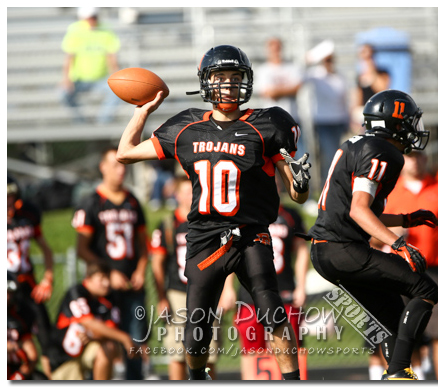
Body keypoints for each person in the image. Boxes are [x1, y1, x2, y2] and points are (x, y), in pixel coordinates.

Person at [115, 44, 311, 380]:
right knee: (196, 327)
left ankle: (293, 382)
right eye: (221, 77)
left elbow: (295, 190)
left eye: (235, 77)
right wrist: (144, 109)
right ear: (207, 82)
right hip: (206, 238)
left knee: (273, 311)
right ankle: (197, 379)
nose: (229, 85)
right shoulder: (186, 126)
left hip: (252, 234)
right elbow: (125, 152)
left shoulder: (267, 124)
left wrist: (302, 183)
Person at [309, 89, 438, 380]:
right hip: (342, 248)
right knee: (427, 289)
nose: (412, 128)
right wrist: (398, 243)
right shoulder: (382, 152)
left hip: (328, 249)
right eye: (408, 121)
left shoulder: (358, 144)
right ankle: (399, 374)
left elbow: (358, 209)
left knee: (392, 315)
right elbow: (359, 211)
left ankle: (396, 373)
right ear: (393, 123)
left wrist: (405, 218)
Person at [382, 151, 438, 380]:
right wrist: (391, 233)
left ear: (426, 158)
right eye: (409, 156)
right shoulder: (389, 191)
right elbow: (369, 230)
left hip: (436, 270)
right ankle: (410, 377)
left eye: (419, 155)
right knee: (402, 331)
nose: (415, 160)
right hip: (400, 269)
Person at [72, 147, 149, 380]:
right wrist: (110, 273)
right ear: (102, 167)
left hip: (130, 284)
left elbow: (142, 244)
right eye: (114, 165)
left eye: (122, 165)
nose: (120, 170)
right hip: (103, 287)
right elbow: (82, 249)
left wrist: (140, 270)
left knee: (136, 339)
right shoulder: (91, 202)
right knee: (105, 339)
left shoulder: (133, 201)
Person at [229, 175, 309, 379]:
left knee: (290, 347)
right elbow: (230, 253)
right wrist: (228, 288)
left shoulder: (291, 215)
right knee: (252, 351)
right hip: (250, 293)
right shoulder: (243, 213)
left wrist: (301, 285)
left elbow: (301, 251)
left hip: (284, 290)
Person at [151, 176, 226, 380]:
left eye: (193, 191)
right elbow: (157, 263)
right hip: (178, 293)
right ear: (176, 195)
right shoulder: (167, 224)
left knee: (209, 351)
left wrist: (227, 290)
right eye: (184, 191)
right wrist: (161, 297)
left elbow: (226, 258)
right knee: (176, 353)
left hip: (208, 292)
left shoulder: (210, 222)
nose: (189, 196)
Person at [47, 262, 145, 380]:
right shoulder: (77, 292)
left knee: (109, 346)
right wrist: (125, 338)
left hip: (88, 350)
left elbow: (110, 330)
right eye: (101, 278)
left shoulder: (110, 298)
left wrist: (91, 334)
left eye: (108, 278)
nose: (107, 283)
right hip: (64, 357)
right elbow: (88, 322)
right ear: (88, 279)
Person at [7, 175, 54, 378]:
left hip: (27, 285)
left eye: (11, 195)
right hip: (6, 291)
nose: (8, 200)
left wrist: (47, 279)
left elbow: (46, 249)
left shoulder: (27, 214)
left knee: (45, 339)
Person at [60, 7, 121, 124]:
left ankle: (102, 123)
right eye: (88, 18)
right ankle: (81, 124)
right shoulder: (75, 30)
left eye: (94, 17)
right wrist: (67, 79)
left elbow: (111, 57)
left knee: (118, 91)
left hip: (102, 79)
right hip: (79, 79)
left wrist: (115, 77)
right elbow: (69, 57)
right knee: (63, 93)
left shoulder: (106, 30)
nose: (92, 21)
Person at [304, 40, 350, 184]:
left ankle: (333, 183)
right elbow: (301, 75)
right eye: (327, 59)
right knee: (329, 156)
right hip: (323, 121)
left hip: (338, 121)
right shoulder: (316, 74)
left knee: (336, 156)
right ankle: (328, 184)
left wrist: (347, 120)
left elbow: (344, 100)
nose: (329, 62)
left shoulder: (339, 76)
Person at [256, 37, 305, 156]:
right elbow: (268, 93)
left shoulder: (292, 67)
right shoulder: (263, 70)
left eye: (278, 48)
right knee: (274, 157)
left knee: (299, 156)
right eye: (273, 48)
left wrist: (277, 91)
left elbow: (297, 88)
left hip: (292, 117)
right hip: (271, 121)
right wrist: (287, 89)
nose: (276, 51)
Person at [7, 273, 48, 380]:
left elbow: (32, 355)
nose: (7, 297)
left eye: (9, 293)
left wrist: (18, 377)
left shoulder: (19, 316)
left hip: (14, 369)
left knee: (40, 379)